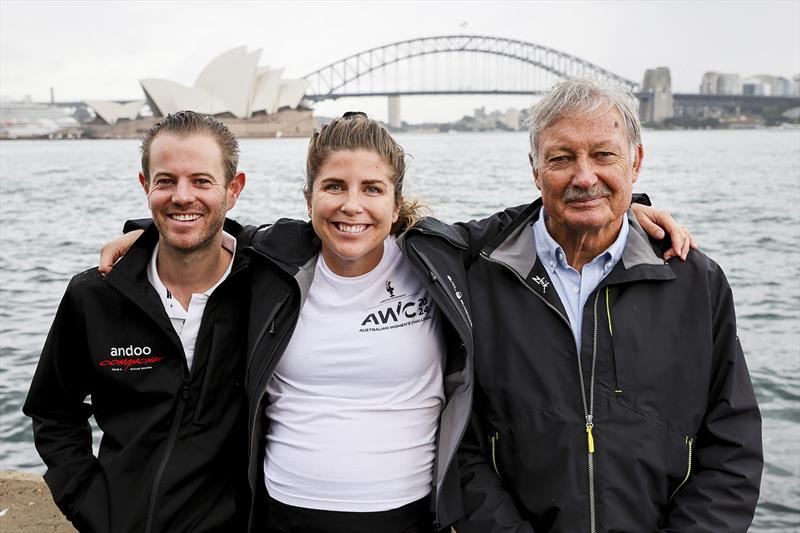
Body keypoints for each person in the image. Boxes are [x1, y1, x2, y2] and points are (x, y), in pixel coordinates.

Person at [99, 112, 694, 532]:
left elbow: (541, 207)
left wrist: (632, 207)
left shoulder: (434, 254)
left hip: (412, 515)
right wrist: (146, 230)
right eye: (334, 187)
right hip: (283, 513)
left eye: (371, 189)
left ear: (396, 199)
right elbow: (201, 224)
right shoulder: (274, 258)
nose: (351, 206)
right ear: (309, 197)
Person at [456, 78, 763, 532]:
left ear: (635, 162)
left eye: (604, 155)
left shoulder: (694, 280)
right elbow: (462, 447)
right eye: (561, 158)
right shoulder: (480, 281)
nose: (584, 176)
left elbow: (731, 445)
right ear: (534, 170)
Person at [24, 111, 251, 533]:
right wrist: (88, 501)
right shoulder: (95, 294)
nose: (183, 196)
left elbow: (345, 232)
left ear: (233, 189)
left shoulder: (266, 287)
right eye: (166, 180)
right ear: (146, 185)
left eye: (202, 181)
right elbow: (54, 412)